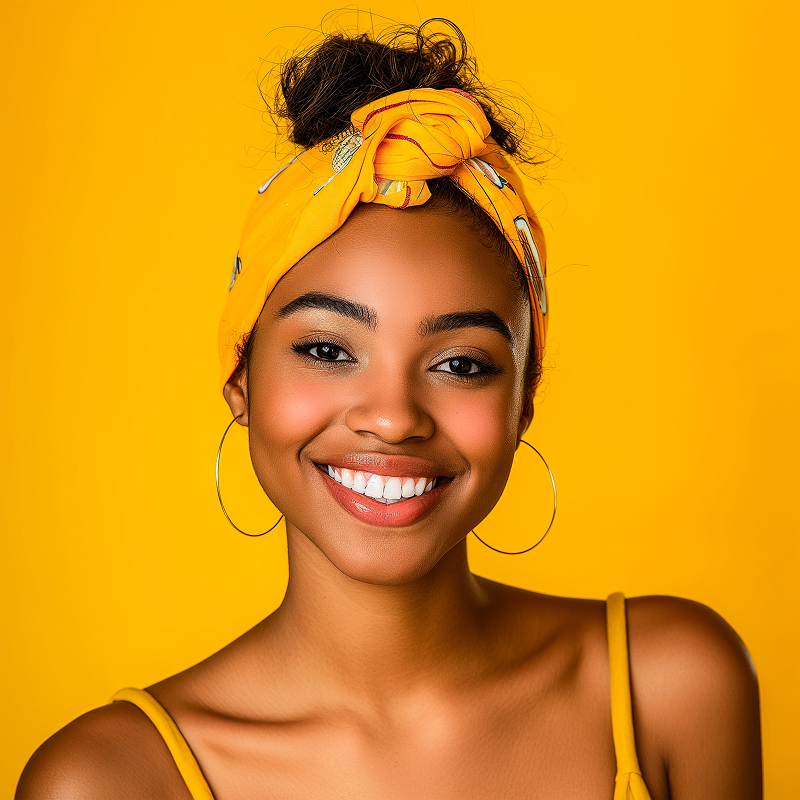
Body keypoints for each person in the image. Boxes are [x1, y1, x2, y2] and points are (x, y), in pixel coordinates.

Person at [16, 19, 762, 800]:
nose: (394, 416)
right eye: (327, 349)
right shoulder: (109, 782)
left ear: (523, 404)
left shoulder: (669, 690)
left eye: (460, 364)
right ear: (240, 378)